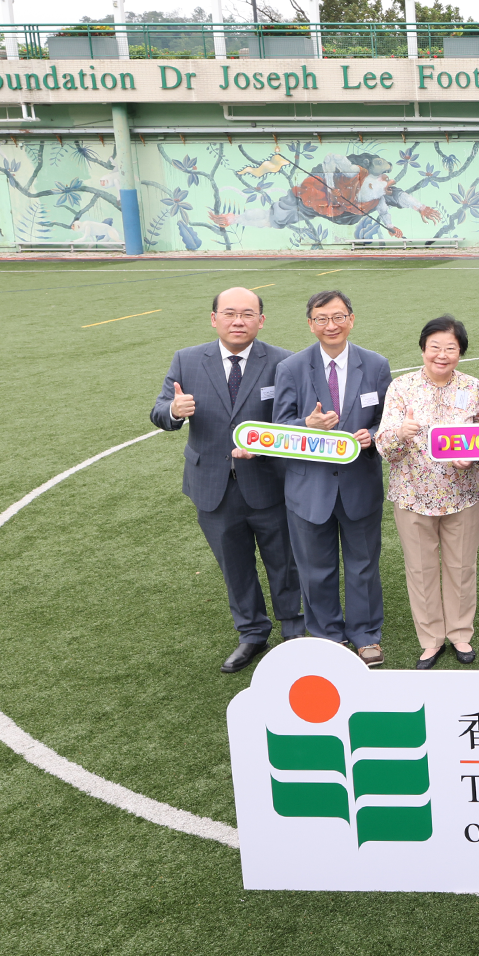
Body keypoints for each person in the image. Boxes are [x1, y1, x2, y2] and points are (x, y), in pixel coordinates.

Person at [148, 287, 301, 673]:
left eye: (248, 314)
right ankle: (252, 632)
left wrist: (267, 445)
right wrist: (174, 410)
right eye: (229, 313)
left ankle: (294, 629)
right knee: (234, 565)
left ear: (261, 321)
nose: (238, 321)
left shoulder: (284, 361)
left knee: (284, 561)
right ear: (214, 318)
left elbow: (293, 423)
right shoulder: (186, 360)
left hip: (269, 482)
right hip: (212, 486)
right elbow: (159, 411)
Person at [273, 290, 392, 665]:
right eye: (322, 319)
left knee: (363, 566)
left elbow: (386, 420)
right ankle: (328, 637)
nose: (331, 325)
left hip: (360, 484)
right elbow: (279, 428)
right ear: (310, 324)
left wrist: (372, 435)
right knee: (315, 570)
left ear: (351, 320)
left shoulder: (375, 365)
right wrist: (306, 425)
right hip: (309, 488)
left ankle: (366, 635)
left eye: (338, 317)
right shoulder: (291, 368)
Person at [376, 315, 479, 670]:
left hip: (463, 494)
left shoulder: (473, 387)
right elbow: (384, 447)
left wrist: (472, 458)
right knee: (420, 570)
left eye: (450, 348)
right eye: (434, 347)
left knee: (461, 566)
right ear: (423, 348)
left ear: (460, 352)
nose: (441, 354)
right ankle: (431, 640)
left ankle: (460, 633)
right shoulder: (401, 387)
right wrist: (401, 433)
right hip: (412, 495)